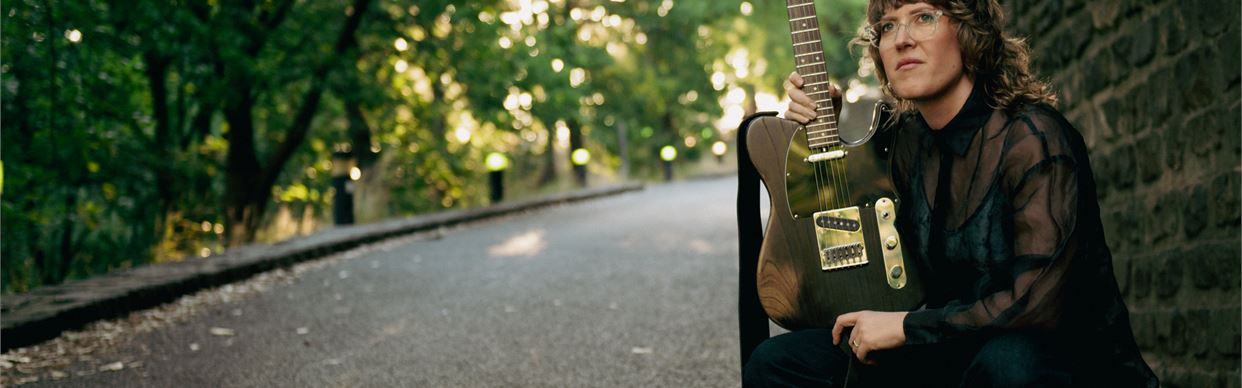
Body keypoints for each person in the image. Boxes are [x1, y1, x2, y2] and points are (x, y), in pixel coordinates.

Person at [742, 0, 1158, 386]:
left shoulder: (1033, 138)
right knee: (777, 361)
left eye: (923, 16)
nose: (902, 37)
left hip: (1057, 363)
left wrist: (905, 328)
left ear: (968, 32)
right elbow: (851, 223)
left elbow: (1037, 306)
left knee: (1009, 362)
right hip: (951, 351)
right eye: (887, 26)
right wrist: (821, 128)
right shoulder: (906, 141)